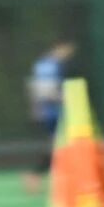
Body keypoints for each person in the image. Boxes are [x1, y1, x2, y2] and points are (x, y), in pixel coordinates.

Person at [24, 40, 76, 192]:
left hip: (55, 112)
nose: (69, 54)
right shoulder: (48, 65)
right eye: (67, 49)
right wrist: (63, 98)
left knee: (62, 146)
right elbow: (43, 91)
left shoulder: (54, 65)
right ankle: (35, 174)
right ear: (58, 47)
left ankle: (40, 175)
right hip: (51, 113)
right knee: (58, 146)